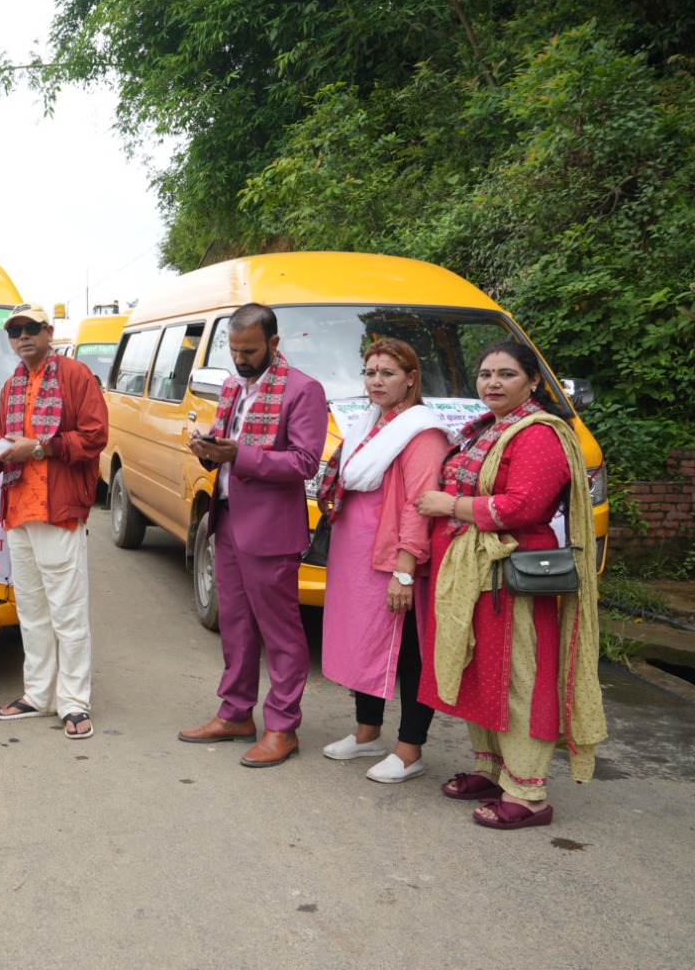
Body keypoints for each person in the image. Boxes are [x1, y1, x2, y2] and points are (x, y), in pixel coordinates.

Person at [416, 339, 606, 830]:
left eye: (506, 374)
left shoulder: (539, 432)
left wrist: (450, 507)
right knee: (481, 670)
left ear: (533, 381)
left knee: (519, 677)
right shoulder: (487, 428)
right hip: (476, 571)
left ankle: (528, 793)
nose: (493, 383)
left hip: (515, 572)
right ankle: (493, 768)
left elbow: (525, 507)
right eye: (485, 374)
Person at [179, 303, 326, 767]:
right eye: (234, 350)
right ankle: (236, 713)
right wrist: (208, 450)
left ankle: (283, 726)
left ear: (274, 344)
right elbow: (228, 449)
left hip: (270, 532)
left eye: (250, 350)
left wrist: (238, 455)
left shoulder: (303, 390)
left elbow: (304, 463)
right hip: (226, 519)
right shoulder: (231, 387)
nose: (240, 359)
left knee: (280, 631)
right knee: (236, 626)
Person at [317, 340, 450, 782]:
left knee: (409, 651)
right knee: (362, 642)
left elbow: (419, 505)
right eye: (370, 372)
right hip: (356, 561)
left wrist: (405, 573)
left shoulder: (422, 432)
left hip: (393, 562)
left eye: (388, 373)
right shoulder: (370, 423)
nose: (376, 381)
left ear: (411, 378)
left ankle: (410, 750)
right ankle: (367, 733)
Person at [0, 304, 109, 739]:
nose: (23, 336)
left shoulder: (74, 375)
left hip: (59, 509)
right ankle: (38, 694)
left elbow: (94, 437)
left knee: (67, 612)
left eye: (31, 328)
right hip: (18, 508)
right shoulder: (12, 384)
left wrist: (38, 448)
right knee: (32, 612)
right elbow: (3, 445)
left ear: (49, 332)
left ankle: (73, 702)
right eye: (15, 331)